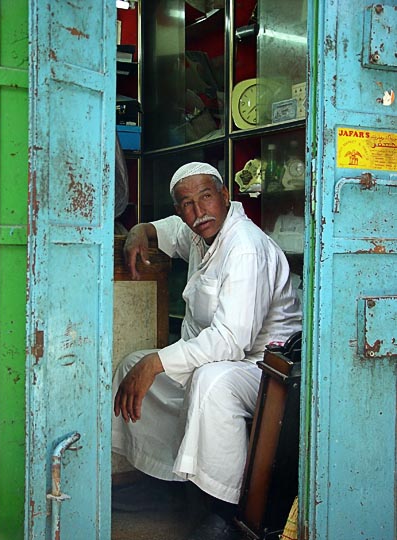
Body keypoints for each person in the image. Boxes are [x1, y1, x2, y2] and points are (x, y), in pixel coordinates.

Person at [112, 162, 302, 539]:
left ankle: (224, 511)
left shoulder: (244, 247)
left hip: (266, 369)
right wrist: (139, 230)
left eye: (206, 197)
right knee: (131, 367)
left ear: (225, 197)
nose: (197, 212)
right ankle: (163, 482)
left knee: (210, 382)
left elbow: (232, 341)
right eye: (187, 204)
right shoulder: (199, 233)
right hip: (221, 358)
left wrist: (159, 361)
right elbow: (168, 230)